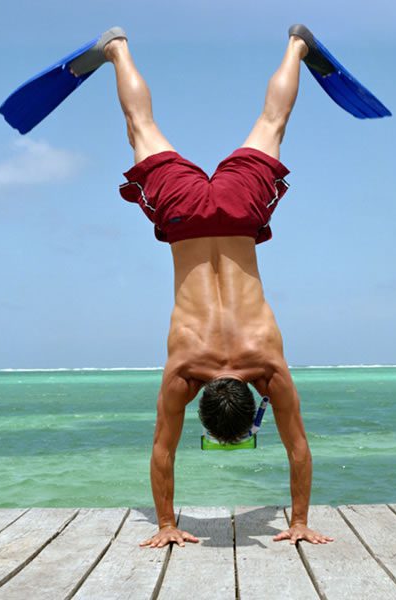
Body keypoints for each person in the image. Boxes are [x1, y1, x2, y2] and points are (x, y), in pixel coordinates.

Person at [77, 28, 336, 548]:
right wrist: (168, 523)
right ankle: (118, 49)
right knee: (141, 127)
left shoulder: (266, 367)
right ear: (202, 398)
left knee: (272, 124)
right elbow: (164, 451)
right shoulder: (186, 371)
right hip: (184, 220)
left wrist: (294, 519)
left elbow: (299, 448)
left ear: (250, 395)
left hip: (239, 215)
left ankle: (295, 47)